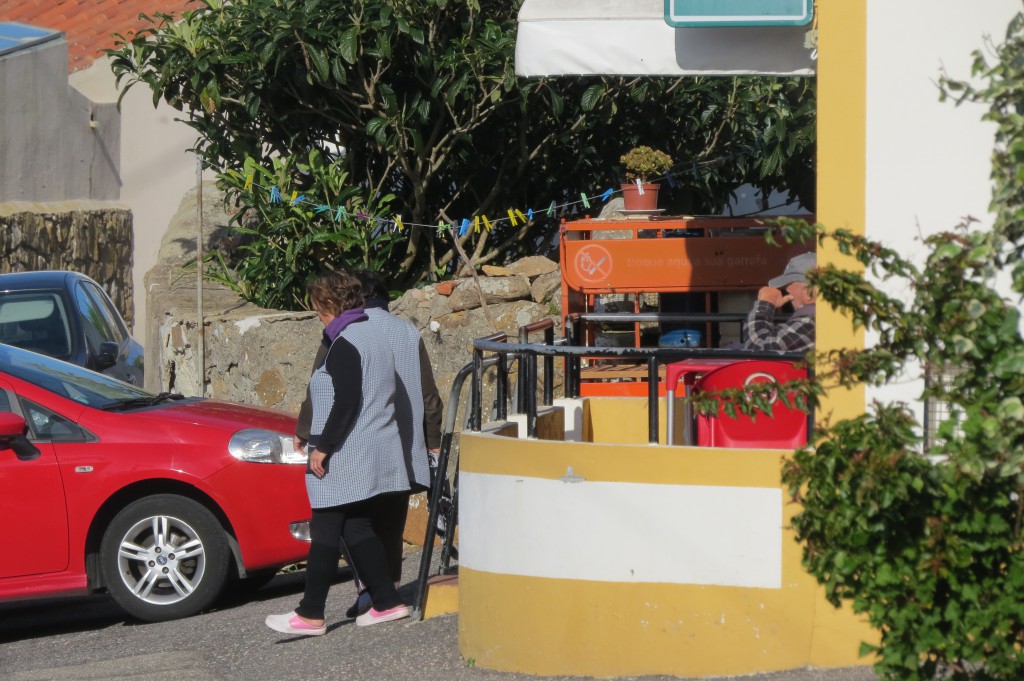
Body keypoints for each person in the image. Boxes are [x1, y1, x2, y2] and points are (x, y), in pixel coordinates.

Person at [293, 270, 445, 620]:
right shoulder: (406, 331)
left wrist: (307, 432)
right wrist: (432, 442)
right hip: (403, 446)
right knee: (386, 521)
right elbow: (428, 394)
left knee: (353, 522)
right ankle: (384, 594)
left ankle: (368, 595)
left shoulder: (345, 334)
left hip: (353, 446)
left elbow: (321, 387)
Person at [266, 270, 411, 636]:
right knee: (357, 526)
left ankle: (311, 613)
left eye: (318, 306)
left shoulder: (346, 342)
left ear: (329, 304)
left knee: (326, 529)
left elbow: (346, 401)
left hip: (346, 452)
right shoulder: (373, 335)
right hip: (373, 447)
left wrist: (324, 447)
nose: (317, 313)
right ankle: (387, 602)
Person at [742, 251, 816, 353]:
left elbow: (757, 349)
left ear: (808, 293)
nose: (785, 292)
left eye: (787, 287)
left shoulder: (811, 323)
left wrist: (764, 305)